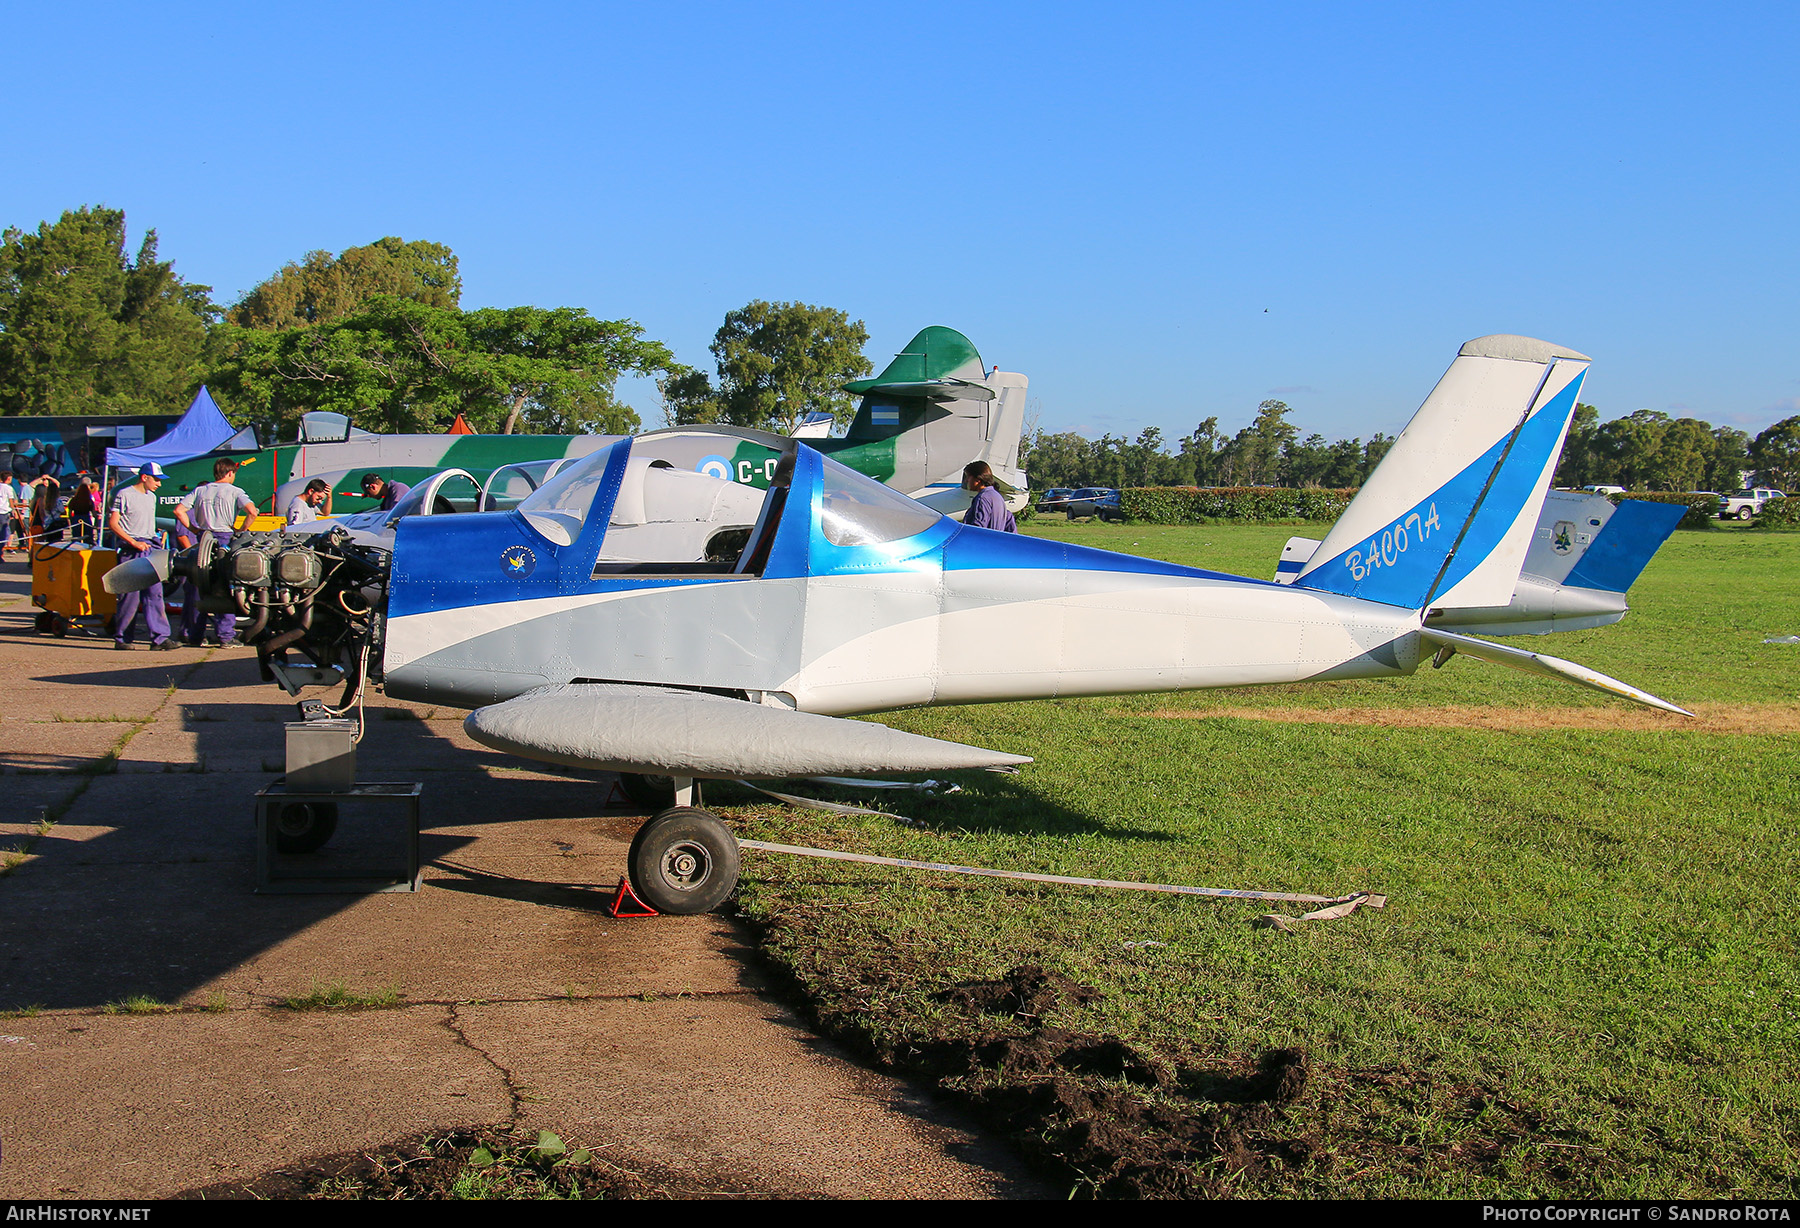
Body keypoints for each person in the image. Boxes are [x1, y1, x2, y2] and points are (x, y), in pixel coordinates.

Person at [174, 458, 259, 646]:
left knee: (199, 586)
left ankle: (196, 636)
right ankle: (226, 636)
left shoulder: (200, 491)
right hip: (224, 538)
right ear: (230, 473)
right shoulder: (235, 491)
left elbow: (179, 511)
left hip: (203, 539)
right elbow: (252, 512)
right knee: (225, 587)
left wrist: (195, 530)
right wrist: (241, 530)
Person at [107, 463, 177, 651]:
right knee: (129, 596)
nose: (159, 484)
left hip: (149, 546)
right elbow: (113, 524)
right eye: (156, 480)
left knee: (155, 594)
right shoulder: (124, 494)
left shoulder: (152, 497)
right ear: (144, 477)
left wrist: (156, 536)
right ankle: (123, 638)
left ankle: (160, 639)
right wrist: (133, 542)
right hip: (132, 549)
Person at [961, 461, 1017, 533]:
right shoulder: (997, 496)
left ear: (978, 479)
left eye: (968, 477)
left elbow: (978, 528)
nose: (966, 480)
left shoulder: (982, 498)